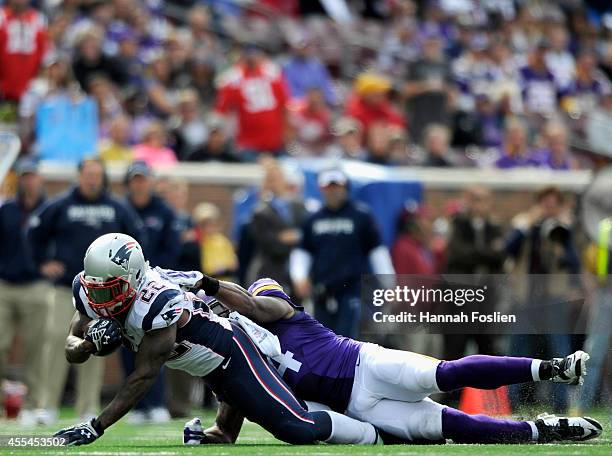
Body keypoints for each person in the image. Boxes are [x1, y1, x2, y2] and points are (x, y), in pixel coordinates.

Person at [183, 275, 601, 445]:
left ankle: (552, 368)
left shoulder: (275, 308)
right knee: (449, 427)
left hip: (364, 364)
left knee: (446, 374)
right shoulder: (239, 348)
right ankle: (539, 430)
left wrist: (210, 285)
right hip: (358, 407)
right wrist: (216, 434)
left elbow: (258, 309)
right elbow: (236, 402)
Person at [53, 233, 383, 447]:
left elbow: (144, 376)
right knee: (224, 436)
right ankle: (236, 423)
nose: (101, 300)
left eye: (110, 290)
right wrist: (86, 345)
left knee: (298, 429)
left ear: (135, 279)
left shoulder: (156, 301)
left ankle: (371, 433)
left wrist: (96, 426)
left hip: (230, 353)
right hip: (206, 365)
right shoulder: (88, 290)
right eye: (96, 289)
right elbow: (71, 344)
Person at [27, 158, 145, 423]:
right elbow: (34, 235)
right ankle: (46, 406)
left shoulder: (116, 208)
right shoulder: (60, 205)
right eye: (88, 175)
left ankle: (88, 407)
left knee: (96, 343)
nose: (93, 180)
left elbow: (136, 240)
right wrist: (43, 264)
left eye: (97, 175)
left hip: (102, 293)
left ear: (103, 178)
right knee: (57, 341)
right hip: (63, 287)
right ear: (79, 176)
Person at [290, 168, 394, 338]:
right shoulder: (313, 219)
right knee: (323, 339)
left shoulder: (361, 216)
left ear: (345, 187)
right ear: (321, 189)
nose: (333, 191)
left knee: (347, 339)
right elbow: (303, 252)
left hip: (352, 290)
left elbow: (377, 252)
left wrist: (389, 284)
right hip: (321, 290)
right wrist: (299, 277)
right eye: (328, 187)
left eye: (337, 186)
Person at [122, 160, 181, 423]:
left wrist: (154, 275)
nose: (139, 184)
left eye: (143, 179)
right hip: (123, 289)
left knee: (157, 344)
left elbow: (173, 249)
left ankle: (157, 402)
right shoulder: (120, 209)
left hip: (154, 286)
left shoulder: (164, 211)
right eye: (135, 179)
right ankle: (135, 406)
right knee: (127, 344)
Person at [0, 159, 49, 425]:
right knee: (0, 344)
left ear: (39, 178)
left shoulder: (49, 209)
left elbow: (60, 239)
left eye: (32, 175)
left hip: (37, 284)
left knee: (36, 348)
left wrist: (55, 263)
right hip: (5, 285)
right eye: (25, 176)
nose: (29, 180)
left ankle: (34, 405)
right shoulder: (6, 209)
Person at [247, 160, 307, 292]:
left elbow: (306, 236)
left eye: (278, 178)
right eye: (271, 179)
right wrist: (292, 238)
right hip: (269, 272)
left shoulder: (298, 205)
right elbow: (270, 243)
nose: (275, 182)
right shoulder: (260, 211)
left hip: (297, 272)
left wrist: (289, 237)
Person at [0, 0, 48, 103]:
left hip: (28, 82)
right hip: (4, 81)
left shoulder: (38, 18)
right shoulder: (2, 16)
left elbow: (42, 50)